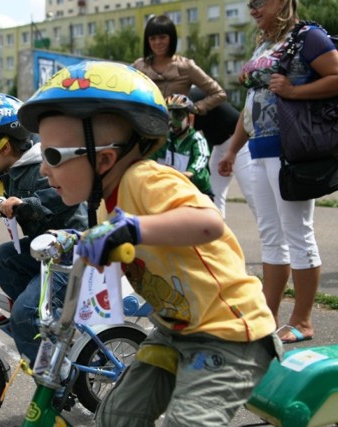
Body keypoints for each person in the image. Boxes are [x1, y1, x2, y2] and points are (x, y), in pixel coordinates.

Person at [18, 60, 280, 425]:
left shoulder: (145, 178)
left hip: (229, 335)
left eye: (51, 156)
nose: (43, 169)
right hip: (173, 331)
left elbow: (208, 222)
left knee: (187, 423)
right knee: (114, 418)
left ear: (105, 158)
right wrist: (76, 239)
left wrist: (131, 230)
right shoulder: (103, 203)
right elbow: (111, 236)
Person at [218, 0, 338, 344]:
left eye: (260, 1)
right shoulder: (264, 43)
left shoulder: (308, 36)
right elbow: (252, 102)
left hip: (291, 152)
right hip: (260, 149)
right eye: (249, 3)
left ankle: (302, 321)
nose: (253, 8)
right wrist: (233, 149)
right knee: (271, 237)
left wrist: (295, 90)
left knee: (297, 234)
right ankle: (267, 318)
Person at [0, 92, 87, 365]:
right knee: (6, 256)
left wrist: (26, 203)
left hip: (71, 254)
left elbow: (60, 196)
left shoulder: (45, 165)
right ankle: (41, 317)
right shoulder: (16, 166)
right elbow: (6, 184)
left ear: (2, 148)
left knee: (24, 311)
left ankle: (56, 375)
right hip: (47, 251)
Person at [132, 14, 226, 115]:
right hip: (144, 127)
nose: (157, 42)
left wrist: (195, 108)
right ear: (147, 41)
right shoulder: (139, 66)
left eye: (162, 37)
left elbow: (219, 93)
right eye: (152, 38)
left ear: (171, 38)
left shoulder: (186, 67)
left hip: (176, 128)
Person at [189, 86, 256, 219]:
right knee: (213, 192)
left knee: (252, 193)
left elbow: (188, 135)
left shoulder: (189, 98)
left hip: (239, 143)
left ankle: (273, 235)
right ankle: (218, 233)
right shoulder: (183, 97)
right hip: (220, 146)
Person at [149, 93, 213, 199]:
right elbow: (152, 156)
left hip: (197, 190)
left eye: (178, 116)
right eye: (169, 116)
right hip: (174, 188)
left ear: (190, 119)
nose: (173, 121)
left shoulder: (197, 139)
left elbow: (201, 158)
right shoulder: (165, 139)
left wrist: (190, 172)